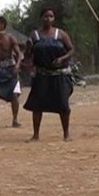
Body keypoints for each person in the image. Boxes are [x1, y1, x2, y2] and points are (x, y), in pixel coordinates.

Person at [23, 8, 75, 141]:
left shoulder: (60, 34)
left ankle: (66, 134)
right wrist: (29, 47)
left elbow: (71, 49)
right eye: (46, 16)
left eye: (51, 16)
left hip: (59, 75)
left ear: (54, 18)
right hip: (42, 75)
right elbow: (27, 56)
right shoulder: (35, 35)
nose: (48, 19)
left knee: (63, 105)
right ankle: (35, 135)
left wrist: (62, 59)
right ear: (41, 18)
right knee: (37, 105)